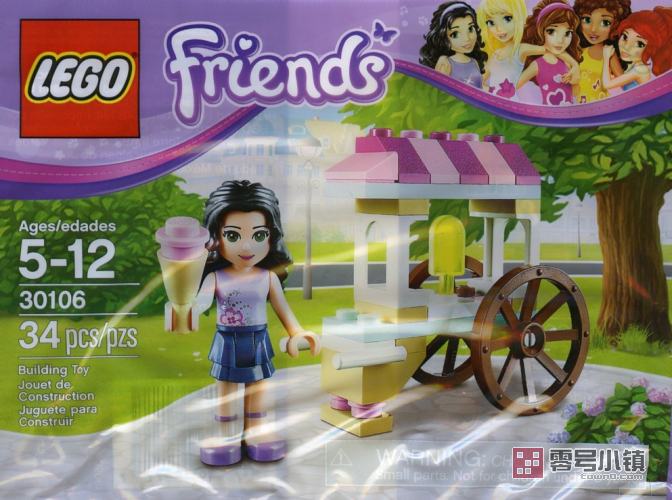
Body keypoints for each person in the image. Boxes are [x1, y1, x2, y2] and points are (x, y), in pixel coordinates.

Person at [190, 180, 320, 466]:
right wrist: (185, 310)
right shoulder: (216, 277)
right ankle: (226, 433)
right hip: (227, 339)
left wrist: (297, 332)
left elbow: (284, 311)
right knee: (226, 387)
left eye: (259, 235)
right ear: (216, 237)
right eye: (233, 235)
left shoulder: (268, 278)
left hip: (258, 339)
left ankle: (255, 431)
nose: (247, 246)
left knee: (257, 386)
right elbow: (200, 304)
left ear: (272, 236)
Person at [478, 0, 578, 99]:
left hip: (510, 103)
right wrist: (489, 91)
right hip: (494, 101)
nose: (499, 28)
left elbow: (550, 49)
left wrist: (574, 64)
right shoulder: (495, 55)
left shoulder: (521, 49)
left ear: (519, 16)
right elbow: (481, 79)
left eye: (507, 18)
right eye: (491, 22)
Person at [517, 0, 583, 105]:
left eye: (567, 33)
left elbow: (575, 93)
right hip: (548, 112)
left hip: (569, 111)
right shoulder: (537, 64)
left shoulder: (568, 62)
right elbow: (515, 85)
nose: (560, 40)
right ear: (540, 32)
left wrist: (575, 82)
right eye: (551, 31)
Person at [573, 0, 631, 103]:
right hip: (577, 104)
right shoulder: (580, 52)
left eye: (605, 23)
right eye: (587, 19)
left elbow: (624, 82)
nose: (593, 29)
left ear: (617, 25)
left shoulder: (609, 53)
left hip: (601, 105)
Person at [603, 7, 672, 93]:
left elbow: (607, 84)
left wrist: (606, 58)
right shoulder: (634, 65)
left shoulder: (641, 69)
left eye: (639, 44)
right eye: (625, 37)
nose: (627, 46)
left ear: (650, 48)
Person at [419, 1, 488, 88]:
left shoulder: (474, 62)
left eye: (470, 29)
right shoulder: (445, 63)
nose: (467, 38)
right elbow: (439, 90)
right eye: (455, 34)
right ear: (443, 37)